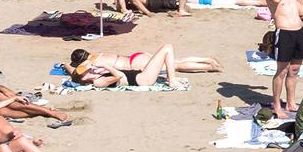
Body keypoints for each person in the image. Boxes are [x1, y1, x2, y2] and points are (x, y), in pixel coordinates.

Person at [266, 0, 303, 118]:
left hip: (299, 32)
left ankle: (291, 102)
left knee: (294, 70)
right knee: (282, 71)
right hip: (284, 33)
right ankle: (277, 105)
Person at [66, 45, 220, 87]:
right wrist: (65, 65)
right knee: (174, 62)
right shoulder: (97, 58)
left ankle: (209, 65)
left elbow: (76, 73)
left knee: (175, 65)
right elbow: (75, 73)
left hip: (135, 65)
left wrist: (67, 65)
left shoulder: (93, 66)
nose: (89, 70)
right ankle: (207, 61)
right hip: (135, 60)